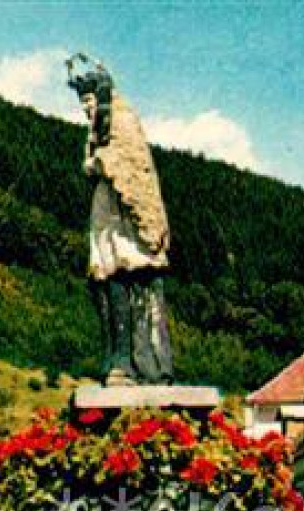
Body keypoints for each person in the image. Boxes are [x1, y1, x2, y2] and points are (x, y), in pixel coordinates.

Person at [67, 55, 174, 384]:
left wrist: (98, 161)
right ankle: (118, 358)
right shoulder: (99, 128)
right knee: (108, 278)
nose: (86, 109)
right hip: (107, 211)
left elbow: (127, 164)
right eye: (81, 103)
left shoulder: (122, 120)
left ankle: (144, 363)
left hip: (127, 213)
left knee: (133, 277)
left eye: (88, 101)